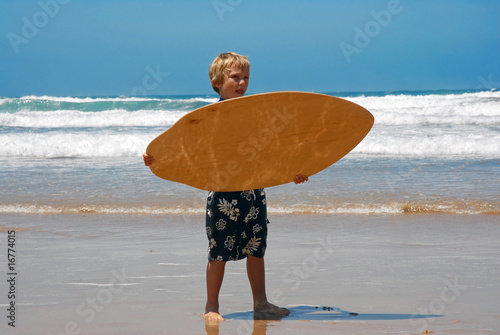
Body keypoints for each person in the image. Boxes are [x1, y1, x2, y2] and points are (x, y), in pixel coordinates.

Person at [143, 52, 308, 322]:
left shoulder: (256, 117)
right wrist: (156, 159)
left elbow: (272, 152)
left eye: (246, 78)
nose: (242, 82)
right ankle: (211, 306)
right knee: (218, 252)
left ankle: (261, 303)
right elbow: (188, 151)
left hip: (254, 192)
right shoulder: (208, 118)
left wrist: (294, 172)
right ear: (217, 82)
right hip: (222, 195)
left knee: (256, 249)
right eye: (235, 77)